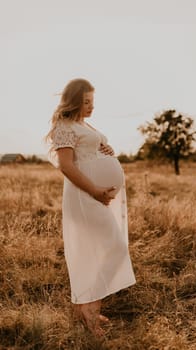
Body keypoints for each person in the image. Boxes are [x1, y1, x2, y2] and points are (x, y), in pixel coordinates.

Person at [46, 78, 136, 337]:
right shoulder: (64, 126)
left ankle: (83, 304)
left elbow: (90, 151)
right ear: (73, 101)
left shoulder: (83, 124)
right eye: (86, 102)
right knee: (115, 248)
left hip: (95, 196)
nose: (91, 107)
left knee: (98, 250)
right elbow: (67, 165)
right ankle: (90, 308)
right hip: (85, 197)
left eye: (92, 102)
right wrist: (95, 190)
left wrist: (106, 149)